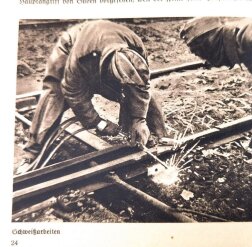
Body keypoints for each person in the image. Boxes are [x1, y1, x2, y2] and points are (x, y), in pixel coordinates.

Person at [180, 17, 252, 219]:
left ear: (211, 42)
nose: (208, 62)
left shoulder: (248, 34)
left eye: (203, 53)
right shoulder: (241, 39)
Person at [18, 20, 167, 173]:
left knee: (141, 96)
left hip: (105, 42)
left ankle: (154, 139)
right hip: (73, 45)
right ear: (109, 72)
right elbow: (72, 92)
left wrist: (139, 120)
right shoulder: (82, 58)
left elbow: (142, 87)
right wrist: (98, 123)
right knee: (55, 94)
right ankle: (31, 154)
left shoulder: (136, 46)